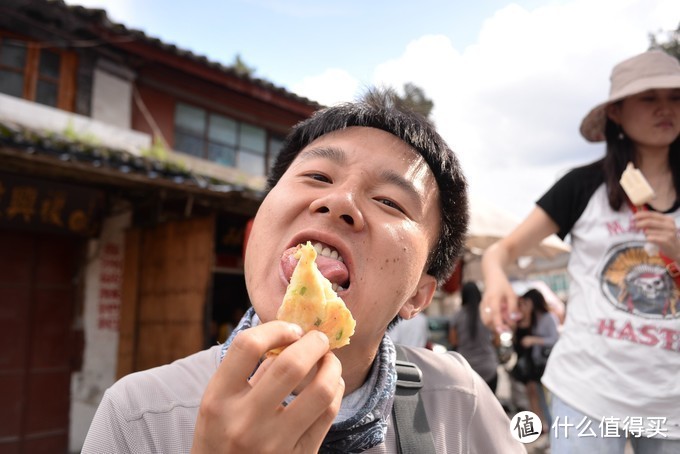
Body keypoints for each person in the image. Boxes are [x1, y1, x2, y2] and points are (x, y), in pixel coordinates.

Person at [82, 88, 525, 453]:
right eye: (316, 176)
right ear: (256, 234)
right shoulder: (139, 415)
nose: (339, 202)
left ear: (419, 295)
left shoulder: (457, 401)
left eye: (389, 201)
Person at [481, 49, 680, 453]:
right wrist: (496, 279)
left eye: (675, 97)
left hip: (670, 401)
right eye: (648, 97)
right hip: (588, 390)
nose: (665, 108)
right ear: (617, 113)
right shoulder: (582, 186)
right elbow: (502, 250)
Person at [510, 289, 559, 431]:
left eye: (526, 302)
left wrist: (534, 340)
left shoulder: (548, 317)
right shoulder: (533, 319)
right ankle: (549, 431)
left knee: (549, 402)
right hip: (538, 366)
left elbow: (555, 339)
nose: (524, 305)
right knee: (542, 400)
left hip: (548, 365)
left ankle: (553, 433)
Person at [449, 281, 500, 393]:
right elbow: (497, 341)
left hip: (467, 369)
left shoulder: (457, 317)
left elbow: (453, 341)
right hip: (488, 367)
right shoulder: (488, 314)